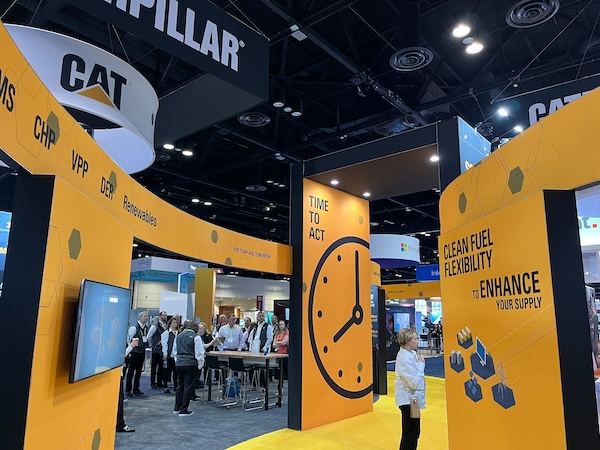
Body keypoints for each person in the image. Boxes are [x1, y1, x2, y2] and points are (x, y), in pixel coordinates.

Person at [395, 328, 426, 450]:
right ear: (407, 341)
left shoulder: (411, 354)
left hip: (413, 400)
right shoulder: (404, 358)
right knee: (410, 434)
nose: (418, 341)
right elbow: (414, 383)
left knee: (414, 432)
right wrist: (421, 365)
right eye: (415, 339)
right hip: (408, 401)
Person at [173, 321, 205, 416]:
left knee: (180, 386)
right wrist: (200, 364)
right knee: (188, 387)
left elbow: (174, 351)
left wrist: (177, 361)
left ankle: (177, 408)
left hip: (179, 363)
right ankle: (184, 410)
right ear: (194, 327)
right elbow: (199, 352)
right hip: (191, 364)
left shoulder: (178, 336)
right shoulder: (196, 337)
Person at [125, 311, 149, 396]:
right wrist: (130, 350)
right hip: (134, 352)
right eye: (145, 316)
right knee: (131, 371)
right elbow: (128, 339)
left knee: (139, 371)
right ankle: (128, 389)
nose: (146, 318)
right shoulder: (134, 328)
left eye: (146, 316)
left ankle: (136, 388)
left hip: (141, 352)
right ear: (140, 317)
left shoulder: (146, 328)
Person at [116, 338, 138, 433]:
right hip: (116, 374)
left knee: (119, 400)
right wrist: (131, 346)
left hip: (117, 373)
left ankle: (119, 423)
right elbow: (119, 356)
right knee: (119, 400)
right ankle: (120, 424)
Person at [147, 311, 168, 388]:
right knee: (154, 366)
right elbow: (148, 337)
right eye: (164, 315)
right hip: (155, 349)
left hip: (162, 349)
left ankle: (159, 382)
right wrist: (153, 344)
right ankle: (153, 382)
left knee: (161, 366)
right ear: (160, 316)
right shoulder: (154, 326)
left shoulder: (166, 326)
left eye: (166, 315)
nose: (165, 317)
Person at [161, 316, 180, 394]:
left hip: (176, 356)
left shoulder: (179, 333)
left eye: (176, 323)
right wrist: (165, 353)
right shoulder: (166, 333)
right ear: (170, 324)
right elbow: (164, 343)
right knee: (166, 371)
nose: (175, 324)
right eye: (173, 322)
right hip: (168, 355)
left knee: (176, 372)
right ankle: (165, 386)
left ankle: (176, 386)